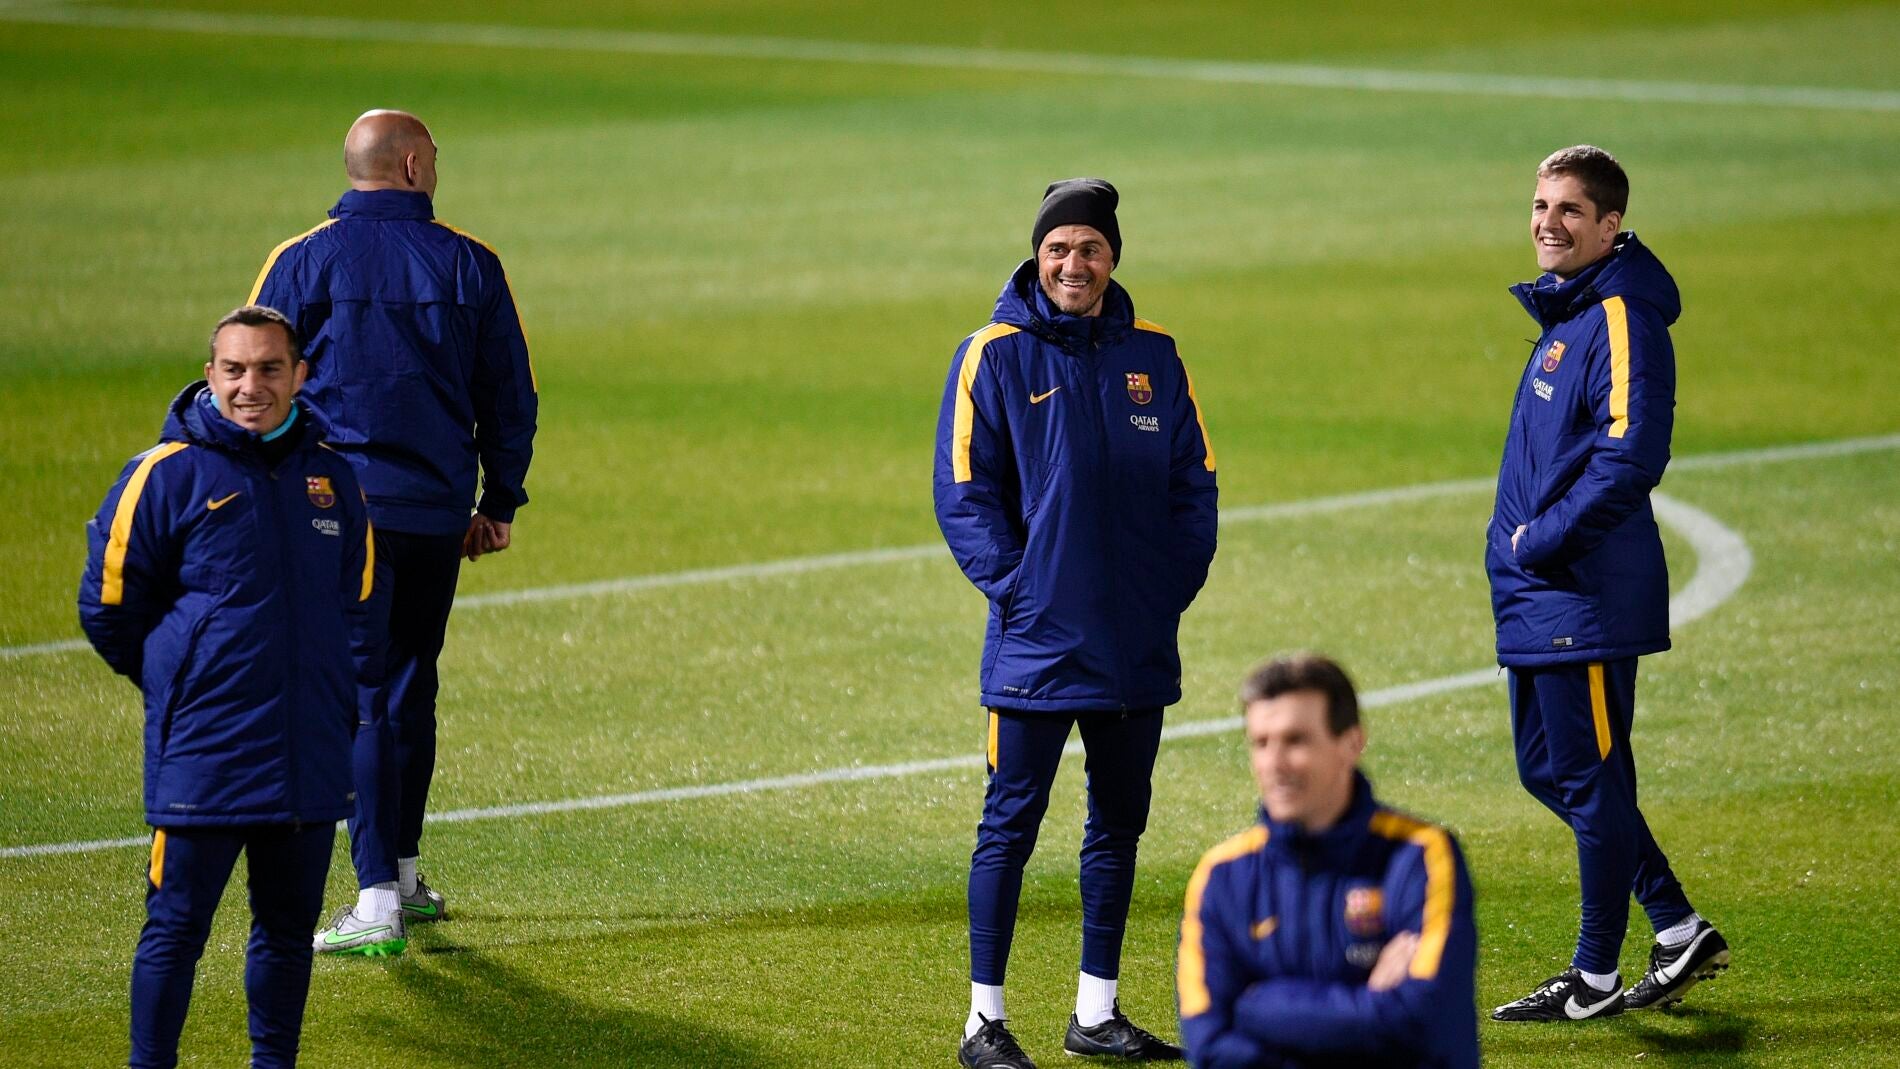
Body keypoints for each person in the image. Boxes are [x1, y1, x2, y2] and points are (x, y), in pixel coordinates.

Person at [934, 178, 1218, 1068]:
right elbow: (962, 490)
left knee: (1119, 823)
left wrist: (1164, 588)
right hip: (1036, 638)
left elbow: (1194, 485)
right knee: (1009, 822)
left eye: (1089, 248)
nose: (1073, 263)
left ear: (1112, 258)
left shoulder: (1156, 357)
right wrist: (1020, 589)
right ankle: (984, 1020)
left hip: (1134, 641)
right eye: (1058, 248)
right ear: (1037, 256)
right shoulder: (994, 353)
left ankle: (1097, 1010)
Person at [247, 109, 539, 954]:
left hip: (339, 514)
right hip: (436, 511)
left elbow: (257, 381)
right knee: (413, 684)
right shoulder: (470, 263)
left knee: (366, 695)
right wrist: (500, 500)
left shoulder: (300, 260)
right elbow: (509, 394)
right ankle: (403, 873)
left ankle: (375, 893)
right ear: (412, 164)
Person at [79, 306, 378, 1068]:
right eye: (236, 369)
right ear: (210, 375)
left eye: (270, 368)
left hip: (307, 753)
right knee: (175, 928)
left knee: (286, 931)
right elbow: (109, 604)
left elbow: (358, 602)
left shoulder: (331, 478)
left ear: (299, 375)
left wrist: (332, 700)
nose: (253, 386)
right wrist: (177, 677)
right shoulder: (166, 473)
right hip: (204, 754)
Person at [1486, 145, 1728, 1022]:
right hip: (1544, 593)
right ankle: (1674, 925)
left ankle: (1593, 975)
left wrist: (1540, 541)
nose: (1549, 222)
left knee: (1587, 779)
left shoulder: (1621, 317)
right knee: (1551, 770)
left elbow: (1631, 457)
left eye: (1570, 211)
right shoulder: (1571, 315)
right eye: (1541, 205)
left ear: (1610, 225)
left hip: (1579, 594)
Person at [1177, 654, 1479, 1068]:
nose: (1274, 765)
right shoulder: (1222, 876)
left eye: (1295, 740)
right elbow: (1209, 1047)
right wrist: (1373, 1005)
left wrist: (1257, 1006)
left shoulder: (1421, 857)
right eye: (1261, 743)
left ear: (1351, 743)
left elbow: (1422, 1021)